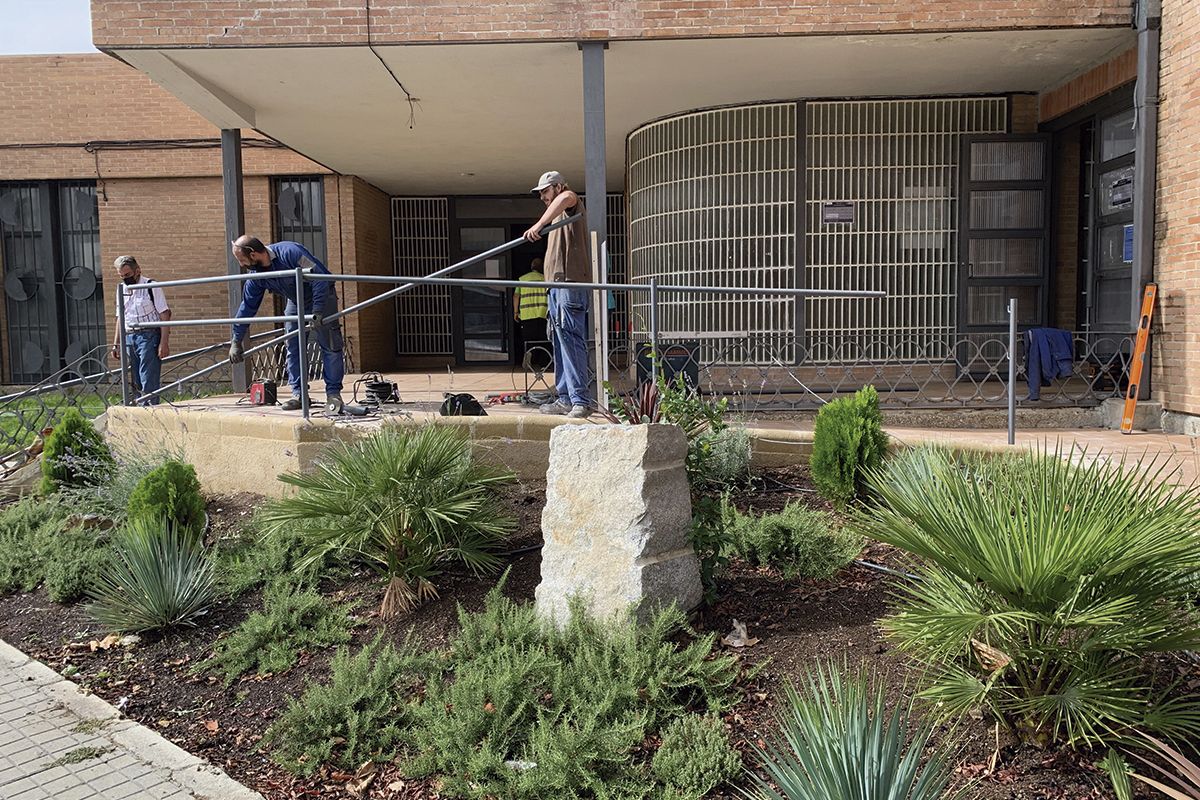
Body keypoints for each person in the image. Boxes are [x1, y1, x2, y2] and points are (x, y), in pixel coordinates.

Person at [226, 236, 344, 411]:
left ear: (253, 254)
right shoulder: (257, 276)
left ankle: (333, 395)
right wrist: (236, 340)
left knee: (330, 344)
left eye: (242, 260)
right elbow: (247, 307)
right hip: (296, 301)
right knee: (293, 346)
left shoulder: (291, 252)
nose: (242, 265)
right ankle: (299, 394)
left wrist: (318, 311)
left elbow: (320, 278)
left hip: (321, 296)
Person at [523, 171, 591, 418]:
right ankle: (565, 398)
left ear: (559, 186)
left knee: (571, 341)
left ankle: (580, 400)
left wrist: (539, 225)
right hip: (556, 287)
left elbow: (566, 198)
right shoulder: (555, 217)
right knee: (560, 342)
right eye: (540, 193)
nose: (542, 196)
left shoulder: (569, 201)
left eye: (546, 191)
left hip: (570, 284)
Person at [110, 255, 170, 406]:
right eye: (122, 276)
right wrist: (116, 343)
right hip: (130, 336)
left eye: (128, 275)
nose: (125, 279)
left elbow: (165, 314)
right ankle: (140, 407)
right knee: (135, 377)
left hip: (149, 335)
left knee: (148, 376)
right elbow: (120, 317)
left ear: (138, 271)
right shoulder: (121, 289)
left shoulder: (151, 286)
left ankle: (150, 408)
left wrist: (164, 342)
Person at [513, 257, 550, 372]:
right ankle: (545, 363)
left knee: (528, 340)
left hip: (527, 315)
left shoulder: (522, 279)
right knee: (544, 340)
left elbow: (516, 296)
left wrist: (515, 312)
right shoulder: (546, 279)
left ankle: (528, 355)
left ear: (531, 267)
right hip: (543, 314)